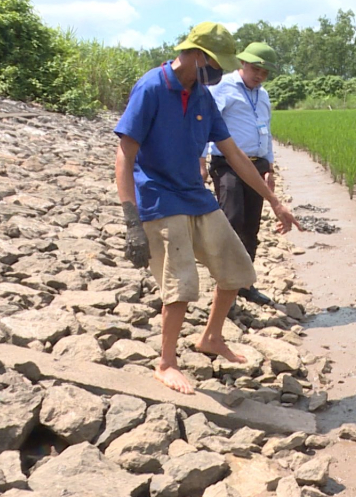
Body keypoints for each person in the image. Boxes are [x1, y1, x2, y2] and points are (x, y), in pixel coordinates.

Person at [114, 22, 299, 394]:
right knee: (181, 283)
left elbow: (233, 153)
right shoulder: (152, 87)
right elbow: (125, 153)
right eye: (216, 62)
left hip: (195, 195)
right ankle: (166, 362)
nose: (218, 72)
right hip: (159, 197)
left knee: (237, 267)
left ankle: (211, 337)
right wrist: (131, 220)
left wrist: (275, 201)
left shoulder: (201, 96)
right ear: (198, 56)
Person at [202, 42, 284, 306]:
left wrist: (269, 168)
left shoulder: (264, 95)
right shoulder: (222, 87)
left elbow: (266, 132)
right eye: (255, 68)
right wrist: (200, 160)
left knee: (251, 226)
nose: (259, 75)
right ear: (243, 64)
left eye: (265, 72)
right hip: (228, 163)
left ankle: (245, 285)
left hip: (257, 165)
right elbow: (206, 124)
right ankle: (225, 288)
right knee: (232, 221)